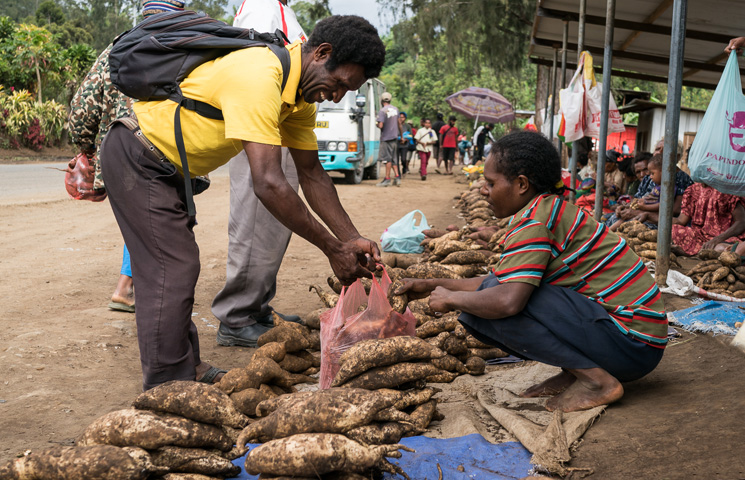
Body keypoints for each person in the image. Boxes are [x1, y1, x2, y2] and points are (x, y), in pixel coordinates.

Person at [99, 15, 386, 390]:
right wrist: (332, 248)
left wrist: (351, 240)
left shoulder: (298, 98)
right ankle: (169, 385)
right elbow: (268, 183)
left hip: (171, 171)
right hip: (138, 157)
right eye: (338, 84)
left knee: (173, 266)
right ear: (322, 53)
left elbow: (312, 174)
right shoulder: (259, 74)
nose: (337, 96)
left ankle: (186, 368)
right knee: (173, 267)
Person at [396, 131, 666, 412]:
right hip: (639, 340)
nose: (483, 190)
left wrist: (450, 299)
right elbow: (497, 280)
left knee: (497, 306)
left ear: (522, 184)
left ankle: (597, 381)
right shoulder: (546, 210)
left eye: (490, 183)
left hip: (634, 344)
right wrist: (431, 283)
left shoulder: (534, 223)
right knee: (498, 291)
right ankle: (575, 371)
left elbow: (507, 299)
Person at [67, 0, 188, 315]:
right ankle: (132, 288)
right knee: (156, 221)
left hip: (117, 149)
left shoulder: (117, 48)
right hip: (164, 155)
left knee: (141, 218)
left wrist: (86, 148)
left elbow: (83, 105)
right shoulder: (186, 47)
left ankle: (132, 286)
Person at [211, 0, 307, 348]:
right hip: (262, 131)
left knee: (273, 228)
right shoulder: (263, 6)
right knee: (255, 224)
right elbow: (252, 63)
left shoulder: (280, 9)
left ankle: (258, 306)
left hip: (279, 128)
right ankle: (237, 316)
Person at [671, 183, 745, 256]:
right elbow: (681, 220)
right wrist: (661, 220)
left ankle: (691, 252)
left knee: (720, 249)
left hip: (724, 237)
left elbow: (741, 222)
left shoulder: (727, 190)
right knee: (671, 231)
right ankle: (699, 252)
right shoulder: (692, 189)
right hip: (699, 236)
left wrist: (717, 239)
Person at [375, 92, 402, 187]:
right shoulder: (396, 109)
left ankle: (387, 179)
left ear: (382, 101)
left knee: (387, 159)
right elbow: (399, 124)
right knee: (394, 159)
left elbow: (380, 125)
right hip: (395, 137)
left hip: (386, 138)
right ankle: (397, 178)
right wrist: (401, 136)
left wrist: (377, 124)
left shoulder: (382, 111)